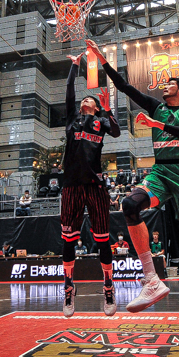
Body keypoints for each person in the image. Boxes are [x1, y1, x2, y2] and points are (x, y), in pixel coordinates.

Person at [88, 40, 179, 355]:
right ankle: (152, 279)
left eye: (170, 84)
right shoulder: (156, 106)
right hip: (160, 172)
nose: (165, 86)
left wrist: (159, 125)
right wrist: (102, 58)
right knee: (129, 205)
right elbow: (124, 87)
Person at [59, 50, 121, 318]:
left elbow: (116, 131)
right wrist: (75, 66)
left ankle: (108, 286)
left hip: (95, 186)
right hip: (71, 186)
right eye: (84, 99)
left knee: (103, 240)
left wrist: (107, 109)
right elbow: (69, 91)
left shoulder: (100, 121)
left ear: (95, 107)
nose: (86, 99)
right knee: (68, 240)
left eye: (90, 100)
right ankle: (68, 288)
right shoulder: (72, 118)